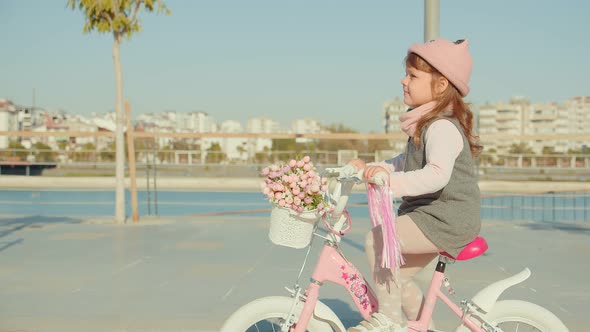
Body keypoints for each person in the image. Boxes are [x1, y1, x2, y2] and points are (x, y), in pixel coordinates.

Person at [345, 38, 483, 332]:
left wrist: (389, 182)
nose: (403, 80)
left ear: (441, 84)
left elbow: (436, 175)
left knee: (378, 240)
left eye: (413, 76)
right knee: (397, 279)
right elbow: (403, 162)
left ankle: (390, 319)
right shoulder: (425, 124)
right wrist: (372, 168)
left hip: (446, 218)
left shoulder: (442, 127)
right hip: (431, 217)